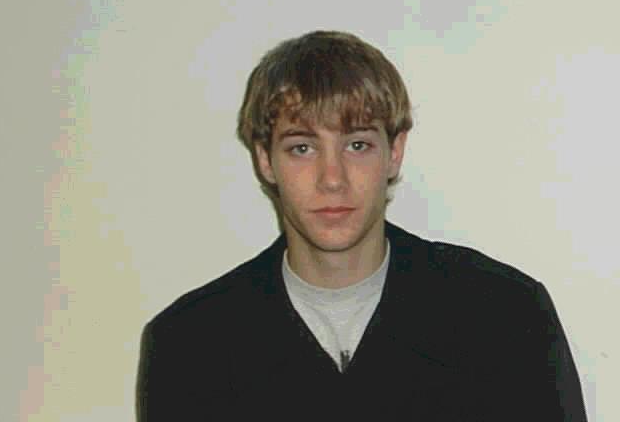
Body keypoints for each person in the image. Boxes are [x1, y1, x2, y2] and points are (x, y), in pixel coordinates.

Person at [136, 30, 588, 421]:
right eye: (301, 148)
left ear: (394, 152)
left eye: (356, 145)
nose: (332, 179)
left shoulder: (505, 316)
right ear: (264, 159)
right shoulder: (190, 345)